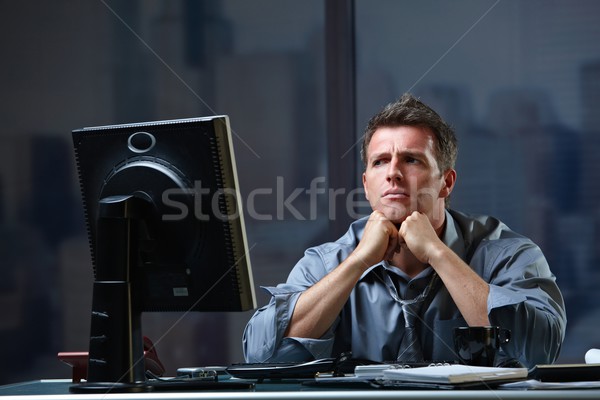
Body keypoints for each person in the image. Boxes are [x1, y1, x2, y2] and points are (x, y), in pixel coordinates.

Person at [242, 93, 566, 368]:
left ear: (446, 182)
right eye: (380, 161)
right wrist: (358, 263)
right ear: (366, 184)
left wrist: (438, 255)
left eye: (411, 160)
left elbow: (539, 350)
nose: (393, 173)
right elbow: (262, 356)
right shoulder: (329, 262)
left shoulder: (508, 255)